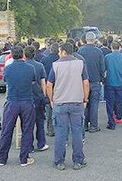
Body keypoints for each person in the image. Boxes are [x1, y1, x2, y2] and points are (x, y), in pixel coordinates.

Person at [47, 43, 89, 171]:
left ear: (64, 52)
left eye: (60, 51)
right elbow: (86, 83)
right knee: (77, 132)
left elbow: (49, 84)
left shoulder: (55, 65)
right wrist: (85, 99)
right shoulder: (80, 64)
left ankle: (59, 161)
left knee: (60, 132)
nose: (59, 54)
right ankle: (78, 161)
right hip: (77, 102)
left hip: (60, 103)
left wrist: (52, 100)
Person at [0, 46, 36, 167]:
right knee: (27, 130)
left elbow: (5, 81)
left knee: (7, 130)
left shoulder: (8, 69)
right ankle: (24, 158)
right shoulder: (30, 68)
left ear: (12, 55)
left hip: (12, 101)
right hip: (26, 101)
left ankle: (2, 158)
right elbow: (33, 82)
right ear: (23, 55)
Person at [77, 32, 105, 133]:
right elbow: (102, 67)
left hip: (83, 81)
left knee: (85, 103)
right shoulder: (98, 51)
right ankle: (93, 125)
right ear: (94, 39)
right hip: (95, 80)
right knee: (94, 104)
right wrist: (102, 78)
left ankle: (84, 125)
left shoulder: (80, 51)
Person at [24, 45, 49, 152]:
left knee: (28, 123)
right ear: (34, 54)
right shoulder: (39, 66)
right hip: (38, 96)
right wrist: (44, 95)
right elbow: (43, 82)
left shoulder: (24, 65)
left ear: (25, 55)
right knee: (40, 121)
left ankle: (29, 146)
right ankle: (41, 143)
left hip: (27, 97)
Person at [104, 42, 122, 130]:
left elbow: (104, 71)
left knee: (110, 104)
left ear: (111, 47)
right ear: (119, 47)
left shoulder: (107, 58)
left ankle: (111, 123)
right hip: (120, 83)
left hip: (110, 82)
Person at [41, 42, 59, 137]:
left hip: (48, 86)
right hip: (59, 86)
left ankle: (50, 129)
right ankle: (60, 128)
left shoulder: (44, 59)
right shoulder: (60, 60)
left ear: (50, 50)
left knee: (49, 110)